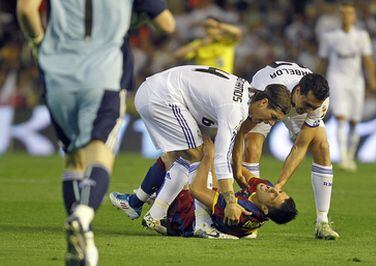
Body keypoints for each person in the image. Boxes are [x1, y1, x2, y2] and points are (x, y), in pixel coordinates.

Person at [16, 0, 175, 266]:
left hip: (57, 75)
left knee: (73, 157)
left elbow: (26, 10)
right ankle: (83, 214)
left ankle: (85, 241)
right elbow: (167, 25)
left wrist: (39, 43)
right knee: (99, 151)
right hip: (104, 76)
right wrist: (129, 20)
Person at [110, 65, 291, 237]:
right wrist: (230, 201)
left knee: (175, 157)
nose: (270, 123)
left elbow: (237, 134)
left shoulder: (246, 92)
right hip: (163, 97)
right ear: (263, 102)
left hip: (157, 90)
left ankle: (136, 202)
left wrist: (236, 168)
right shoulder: (236, 109)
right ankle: (202, 224)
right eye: (273, 117)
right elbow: (221, 158)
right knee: (199, 154)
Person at [237, 61, 339, 240]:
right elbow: (241, 131)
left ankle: (322, 222)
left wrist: (280, 184)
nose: (309, 110)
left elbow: (300, 146)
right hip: (271, 98)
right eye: (307, 104)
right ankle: (252, 216)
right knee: (252, 145)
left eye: (313, 108)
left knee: (322, 146)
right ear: (298, 91)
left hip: (290, 103)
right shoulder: (265, 88)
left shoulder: (317, 104)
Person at [163, 136, 297, 238]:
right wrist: (225, 160)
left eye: (274, 196)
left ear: (264, 209)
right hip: (203, 200)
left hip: (184, 217)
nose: (273, 189)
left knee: (175, 157)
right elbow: (239, 170)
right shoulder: (263, 189)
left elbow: (196, 190)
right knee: (215, 165)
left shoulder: (240, 211)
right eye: (279, 191)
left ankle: (154, 205)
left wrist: (209, 156)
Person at [317, 1, 376, 171]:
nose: (346, 16)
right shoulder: (330, 37)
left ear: (354, 17)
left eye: (349, 13)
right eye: (343, 13)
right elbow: (323, 59)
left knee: (354, 120)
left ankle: (351, 155)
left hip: (356, 80)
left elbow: (367, 59)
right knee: (340, 116)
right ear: (340, 16)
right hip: (337, 77)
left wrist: (372, 78)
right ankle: (343, 156)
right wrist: (315, 78)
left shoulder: (361, 36)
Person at [174, 17, 242, 73]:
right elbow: (177, 55)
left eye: (211, 26)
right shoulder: (199, 43)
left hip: (223, 79)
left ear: (219, 28)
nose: (209, 29)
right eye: (206, 27)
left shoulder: (225, 41)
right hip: (205, 81)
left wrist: (219, 25)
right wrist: (201, 44)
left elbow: (238, 33)